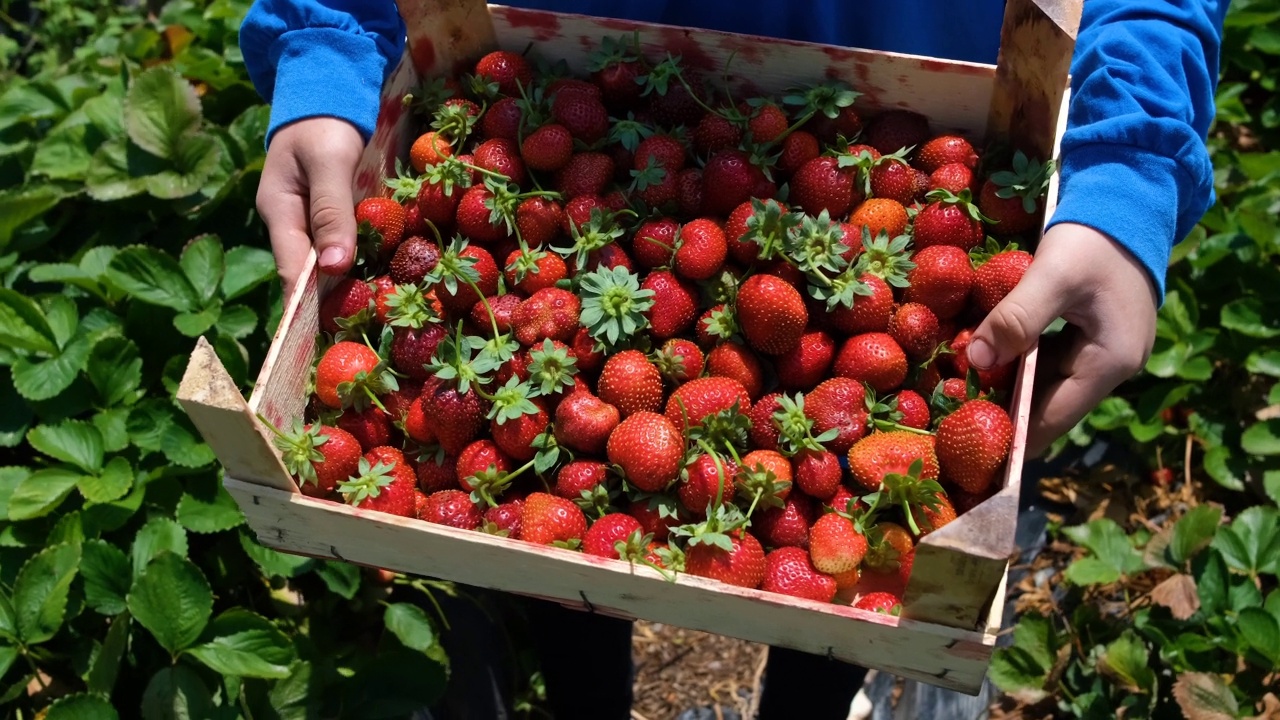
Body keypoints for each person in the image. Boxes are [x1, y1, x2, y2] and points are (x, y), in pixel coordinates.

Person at [239, 1, 1229, 717]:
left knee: (842, 604)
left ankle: (816, 697)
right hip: (558, 52)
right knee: (549, 548)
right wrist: (330, 35)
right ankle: (584, 690)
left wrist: (1126, 159)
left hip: (920, 59)